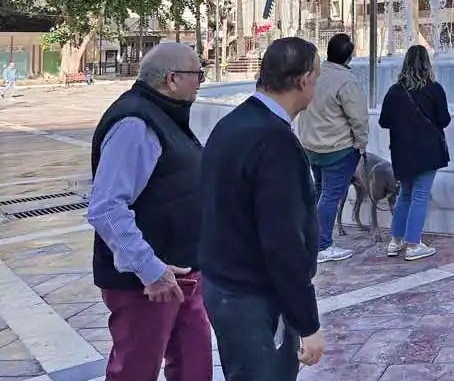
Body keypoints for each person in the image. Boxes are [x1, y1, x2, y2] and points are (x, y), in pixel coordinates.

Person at [199, 37, 325, 380]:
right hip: (251, 295)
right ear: (302, 80)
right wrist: (307, 322)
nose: (317, 85)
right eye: (317, 76)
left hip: (227, 285)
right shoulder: (274, 141)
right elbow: (283, 241)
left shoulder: (233, 123)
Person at [87, 42, 211, 381]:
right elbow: (107, 208)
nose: (201, 82)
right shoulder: (135, 123)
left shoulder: (165, 116)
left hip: (182, 274)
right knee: (136, 370)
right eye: (197, 74)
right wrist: (150, 269)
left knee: (194, 366)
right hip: (146, 282)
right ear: (172, 79)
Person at [296, 33, 368, 264]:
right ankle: (323, 244)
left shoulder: (315, 74)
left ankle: (312, 240)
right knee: (330, 196)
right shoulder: (346, 81)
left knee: (319, 192)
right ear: (349, 55)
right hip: (337, 148)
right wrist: (361, 144)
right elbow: (358, 118)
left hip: (311, 145)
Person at [379, 44, 451, 261]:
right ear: (427, 64)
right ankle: (413, 244)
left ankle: (395, 241)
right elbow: (444, 120)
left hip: (402, 152)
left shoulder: (394, 91)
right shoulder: (434, 89)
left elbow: (384, 121)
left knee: (405, 195)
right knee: (419, 196)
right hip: (428, 152)